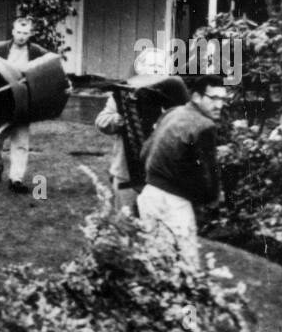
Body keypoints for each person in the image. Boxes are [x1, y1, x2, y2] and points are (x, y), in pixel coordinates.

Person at [136, 74, 230, 267]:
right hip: (173, 203)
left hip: (149, 195)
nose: (219, 105)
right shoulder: (205, 126)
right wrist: (213, 201)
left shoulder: (172, 113)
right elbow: (208, 174)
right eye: (214, 98)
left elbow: (145, 151)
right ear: (196, 97)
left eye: (223, 99)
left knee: (157, 262)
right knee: (188, 266)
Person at [96, 48, 168, 215]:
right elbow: (101, 121)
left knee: (154, 224)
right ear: (141, 69)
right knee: (124, 221)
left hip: (158, 173)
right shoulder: (123, 95)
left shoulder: (168, 97)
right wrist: (115, 120)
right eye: (150, 65)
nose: (155, 70)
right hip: (126, 171)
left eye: (159, 66)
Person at [0, 17, 51, 194]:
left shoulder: (37, 51)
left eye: (25, 33)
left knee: (21, 141)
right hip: (1, 102)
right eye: (19, 32)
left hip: (24, 103)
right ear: (13, 31)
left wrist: (64, 84)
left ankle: (16, 179)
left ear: (30, 34)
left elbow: (52, 67)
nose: (21, 36)